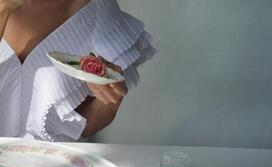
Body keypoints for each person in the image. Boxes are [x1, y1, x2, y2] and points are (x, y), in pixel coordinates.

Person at [0, 0, 156, 142]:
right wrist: (3, 9)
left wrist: (111, 99)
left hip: (52, 163)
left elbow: (88, 128)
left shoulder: (96, 11)